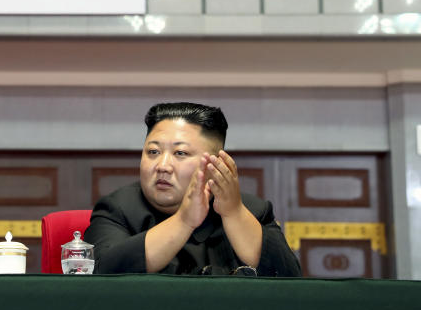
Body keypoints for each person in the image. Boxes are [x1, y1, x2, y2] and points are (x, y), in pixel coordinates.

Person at [84, 102, 301, 276]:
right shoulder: (118, 208)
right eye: (152, 152)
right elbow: (102, 272)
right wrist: (183, 221)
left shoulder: (253, 210)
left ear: (216, 164)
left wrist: (234, 213)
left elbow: (288, 280)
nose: (162, 166)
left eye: (180, 153)